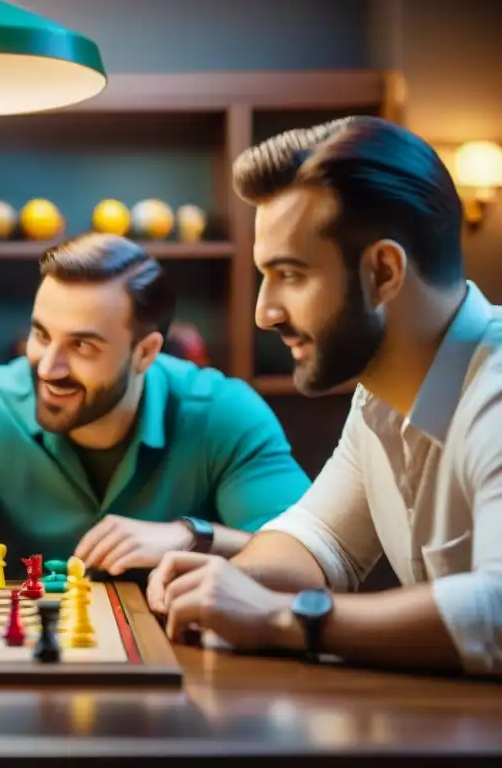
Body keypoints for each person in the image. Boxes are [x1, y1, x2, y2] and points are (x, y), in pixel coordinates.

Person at [147, 116, 502, 677]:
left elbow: (497, 611)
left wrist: (283, 619)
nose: (265, 312)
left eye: (290, 274)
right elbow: (319, 540)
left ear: (383, 272)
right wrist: (227, 581)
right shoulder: (380, 396)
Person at [0, 232, 311, 575]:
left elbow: (307, 555)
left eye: (83, 346)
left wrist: (192, 537)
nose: (48, 367)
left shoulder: (224, 413)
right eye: (41, 334)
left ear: (145, 352)